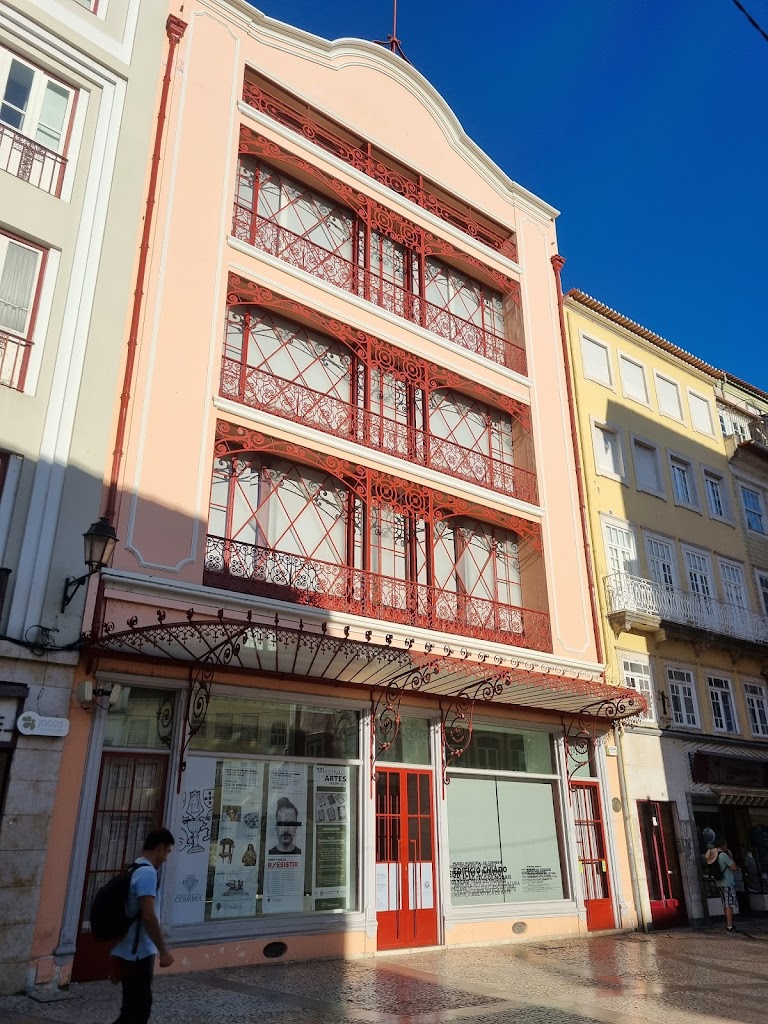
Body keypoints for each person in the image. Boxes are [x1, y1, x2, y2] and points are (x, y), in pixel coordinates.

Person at [111, 828, 175, 1024]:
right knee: (138, 1012)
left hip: (127, 949)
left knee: (130, 1010)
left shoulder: (134, 868)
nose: (166, 857)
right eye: (167, 851)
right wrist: (163, 951)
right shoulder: (147, 874)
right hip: (138, 952)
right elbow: (148, 915)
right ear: (160, 847)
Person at [705, 836, 738, 933]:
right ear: (724, 845)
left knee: (725, 903)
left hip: (719, 882)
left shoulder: (713, 854)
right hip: (727, 882)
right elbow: (734, 867)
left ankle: (728, 923)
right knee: (729, 904)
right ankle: (730, 926)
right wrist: (731, 856)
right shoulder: (723, 855)